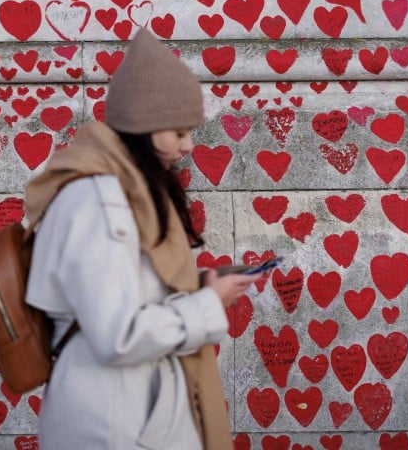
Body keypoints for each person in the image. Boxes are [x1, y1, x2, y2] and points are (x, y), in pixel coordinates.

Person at [24, 29, 259, 449]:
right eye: (178, 132)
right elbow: (118, 336)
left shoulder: (116, 190)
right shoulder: (101, 200)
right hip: (117, 421)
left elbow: (126, 294)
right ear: (145, 125)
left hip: (127, 409)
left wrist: (202, 287)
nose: (188, 146)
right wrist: (206, 305)